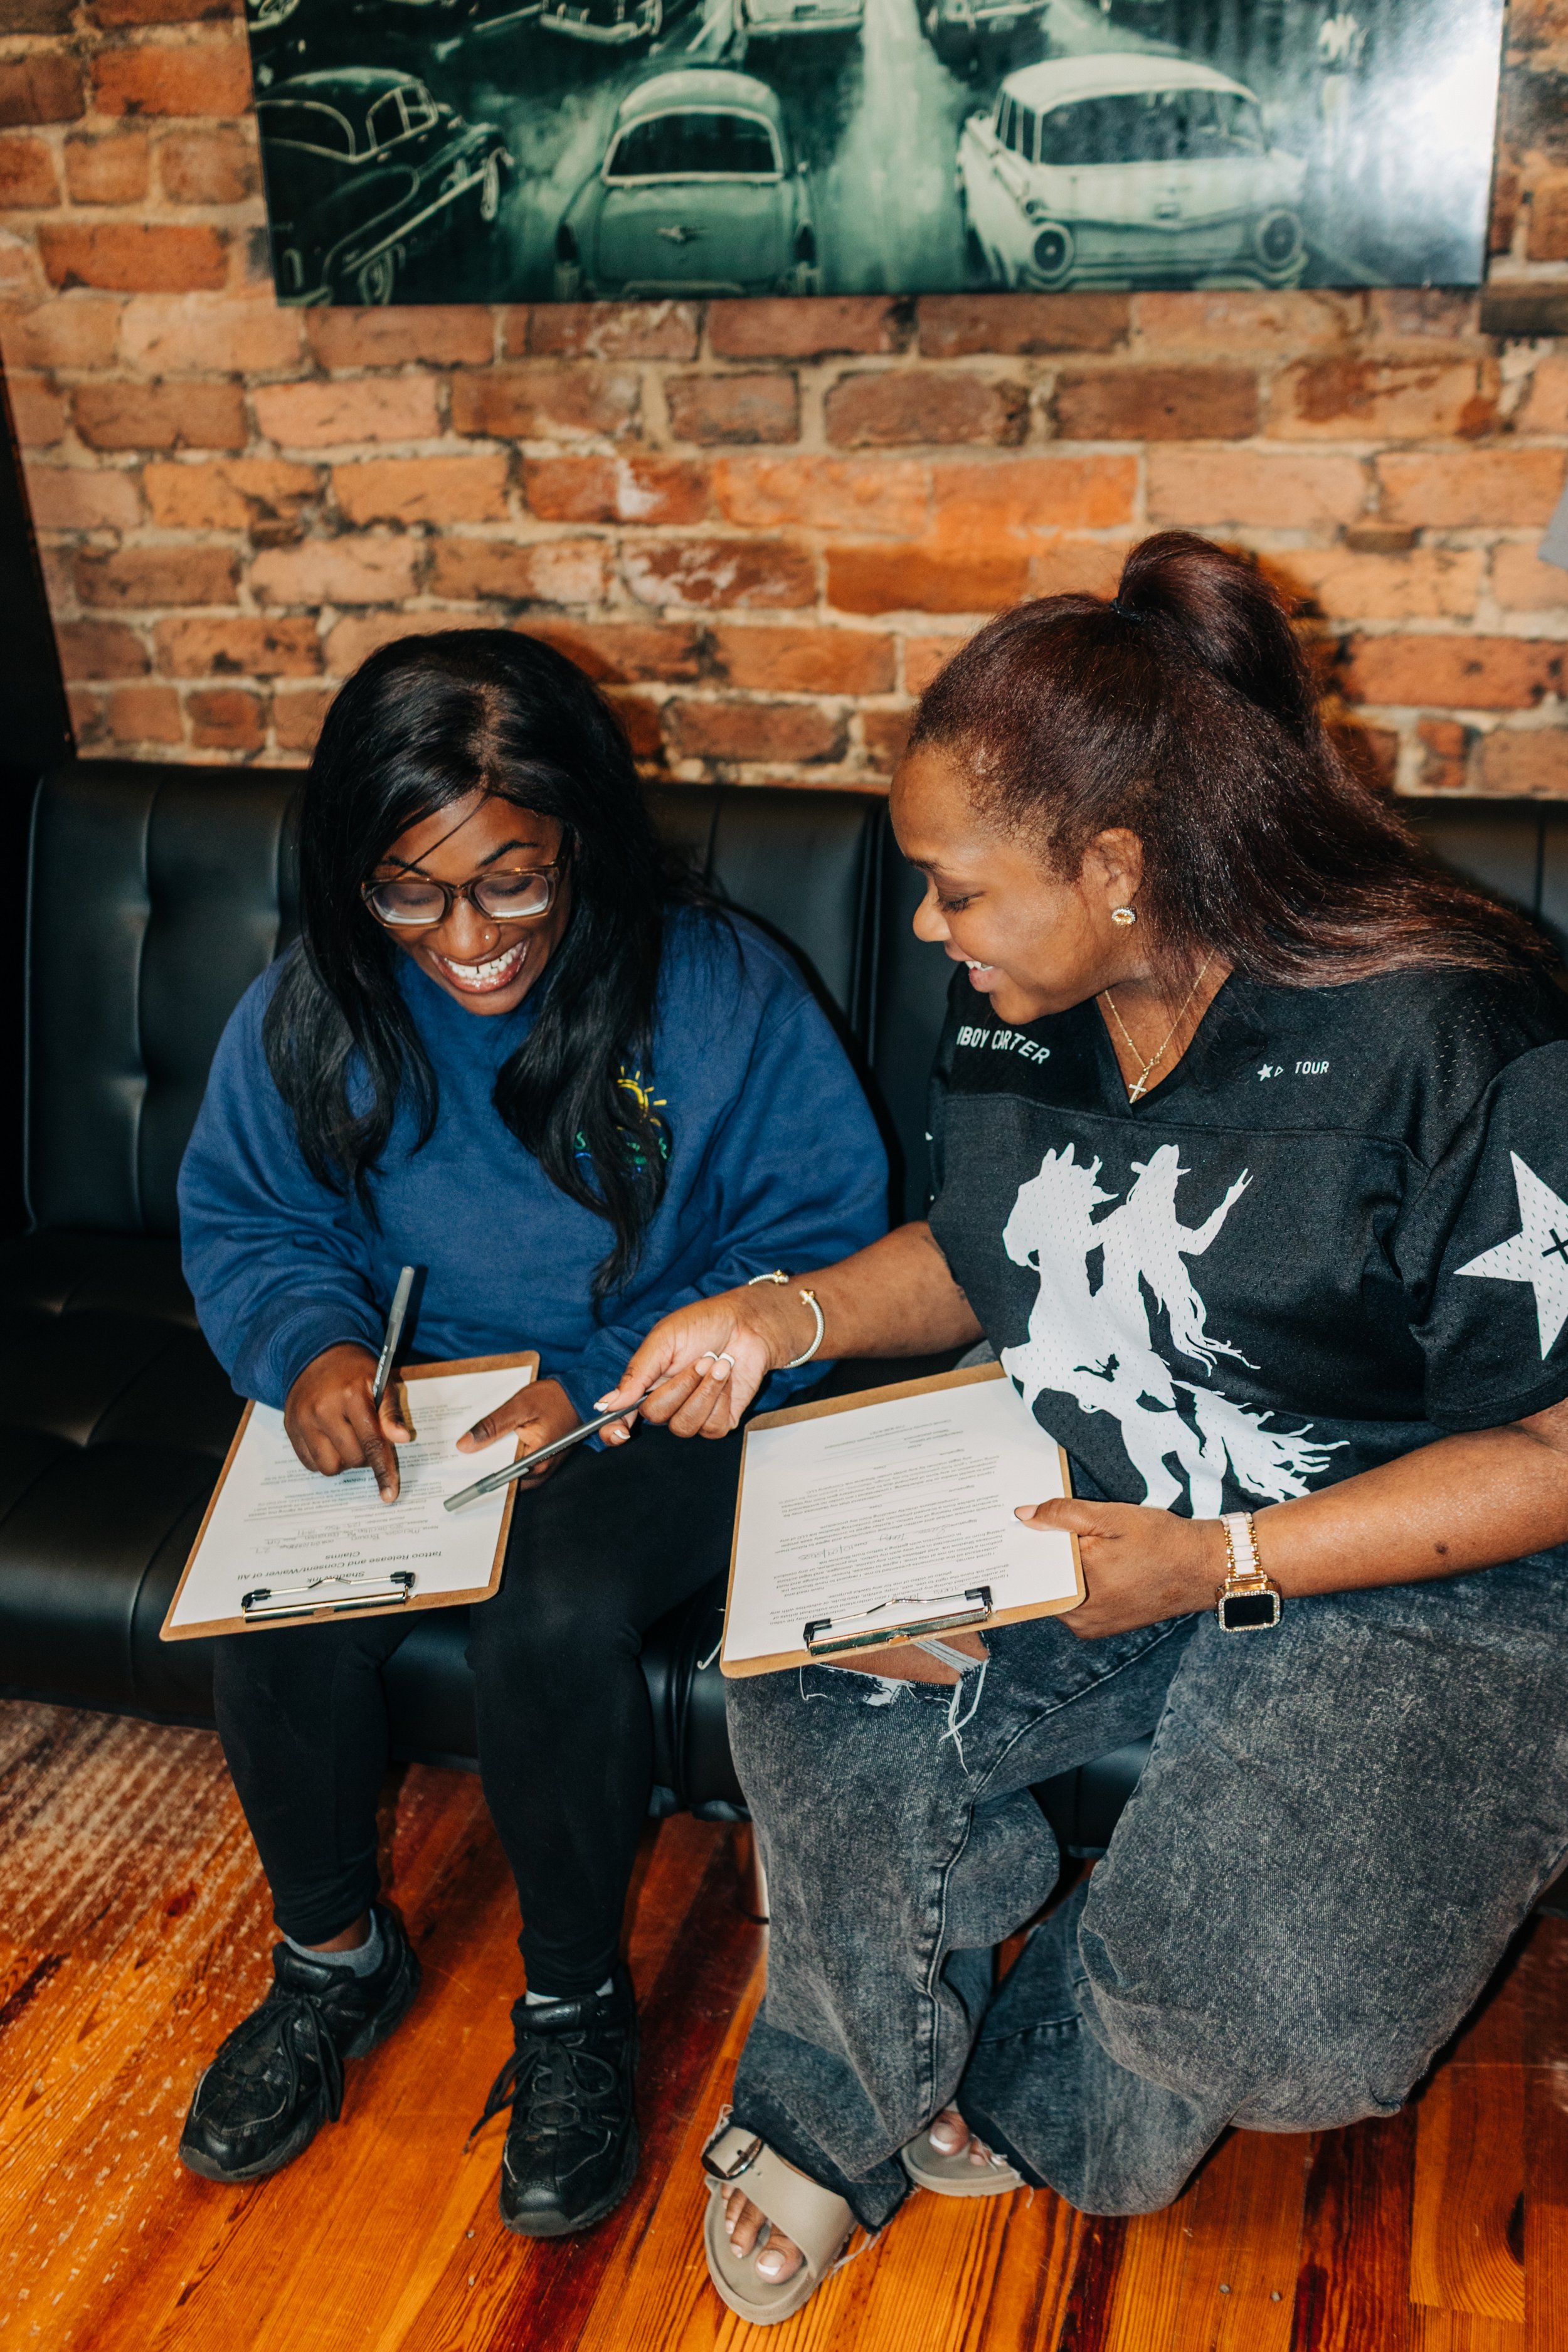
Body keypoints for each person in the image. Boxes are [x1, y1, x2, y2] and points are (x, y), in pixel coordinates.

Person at [600, 532, 1568, 2324]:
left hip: (1419, 1555)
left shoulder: (1454, 1033)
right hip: (1104, 1499)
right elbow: (978, 1253)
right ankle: (836, 2093)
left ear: (1115, 868)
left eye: (954, 889)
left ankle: (1067, 2079)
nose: (924, 929)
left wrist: (1222, 1561)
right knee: (804, 1670)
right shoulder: (1021, 1011)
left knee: (1278, 2016)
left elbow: (1555, 1452)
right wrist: (782, 1310)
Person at [174, 629, 887, 2235]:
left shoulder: (712, 985)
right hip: (431, 1406)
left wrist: (604, 1364)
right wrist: (313, 1351)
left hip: (665, 1402)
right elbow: (255, 1215)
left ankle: (571, 2007)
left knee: (549, 1616)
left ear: (579, 835)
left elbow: (815, 1228)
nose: (464, 938)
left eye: (511, 881)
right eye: (409, 892)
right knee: (277, 1621)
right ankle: (333, 1960)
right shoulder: (319, 995)